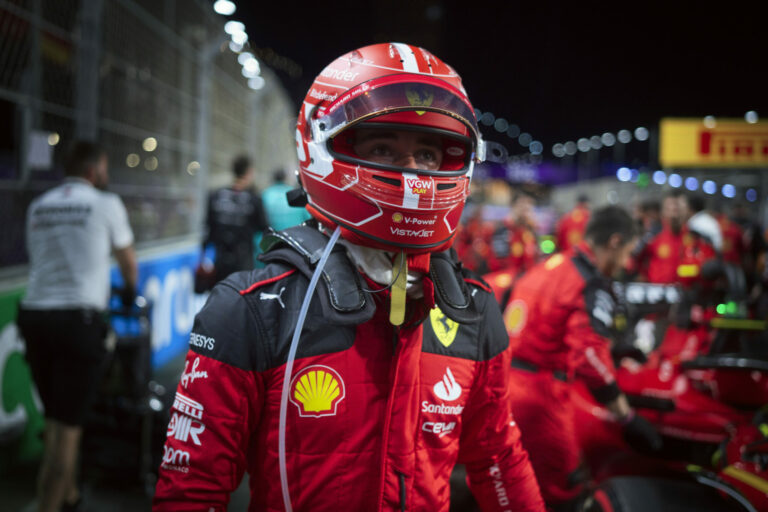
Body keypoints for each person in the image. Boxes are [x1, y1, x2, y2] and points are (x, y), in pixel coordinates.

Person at [153, 43, 544, 511]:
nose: (413, 173)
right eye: (383, 148)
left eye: (428, 153)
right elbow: (192, 490)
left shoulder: (473, 310)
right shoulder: (250, 309)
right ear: (320, 147)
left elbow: (499, 459)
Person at [503, 206, 662, 509]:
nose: (628, 263)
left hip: (506, 387)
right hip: (541, 400)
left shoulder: (553, 265)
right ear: (615, 242)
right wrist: (626, 416)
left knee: (515, 481)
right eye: (628, 252)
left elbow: (550, 325)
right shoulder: (588, 281)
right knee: (565, 491)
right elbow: (588, 355)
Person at [16, 140, 137, 512]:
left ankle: (68, 495)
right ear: (93, 170)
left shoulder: (39, 205)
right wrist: (130, 294)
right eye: (104, 168)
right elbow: (128, 263)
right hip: (77, 324)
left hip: (34, 318)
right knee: (65, 433)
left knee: (57, 419)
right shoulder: (106, 204)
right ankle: (51, 504)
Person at [201, 155, 267, 285]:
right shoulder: (254, 199)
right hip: (243, 262)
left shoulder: (216, 196)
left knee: (221, 295)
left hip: (220, 260)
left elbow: (208, 228)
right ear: (248, 172)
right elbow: (263, 227)